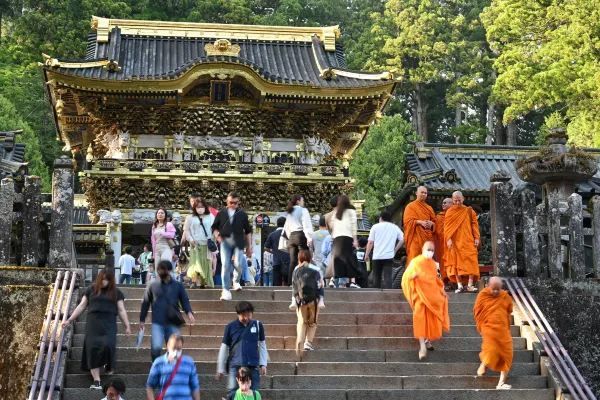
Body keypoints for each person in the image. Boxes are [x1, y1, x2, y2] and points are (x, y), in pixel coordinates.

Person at [62, 269, 131, 390]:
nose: (105, 282)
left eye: (108, 279)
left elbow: (121, 310)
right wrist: (69, 319)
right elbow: (82, 306)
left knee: (108, 345)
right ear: (99, 278)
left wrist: (127, 325)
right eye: (103, 279)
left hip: (109, 323)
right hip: (93, 323)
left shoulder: (116, 292)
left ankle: (108, 365)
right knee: (92, 349)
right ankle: (97, 380)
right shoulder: (91, 289)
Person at [401, 241, 450, 360]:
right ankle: (422, 346)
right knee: (420, 319)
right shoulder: (415, 262)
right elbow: (406, 277)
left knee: (432, 320)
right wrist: (412, 277)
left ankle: (427, 341)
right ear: (423, 249)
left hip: (432, 296)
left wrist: (442, 290)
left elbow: (438, 280)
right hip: (420, 297)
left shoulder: (435, 264)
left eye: (432, 250)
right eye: (428, 249)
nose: (430, 252)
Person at [139, 260, 195, 361]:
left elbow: (184, 300)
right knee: (156, 348)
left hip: (173, 321)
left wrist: (189, 312)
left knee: (174, 349)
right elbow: (146, 302)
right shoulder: (152, 285)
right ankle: (156, 367)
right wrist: (142, 319)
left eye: (164, 270)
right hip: (157, 321)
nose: (161, 272)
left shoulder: (178, 285)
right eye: (159, 270)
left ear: (169, 271)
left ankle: (172, 370)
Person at [216, 301, 268, 400]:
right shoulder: (230, 327)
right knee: (232, 392)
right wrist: (220, 367)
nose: (246, 318)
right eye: (243, 316)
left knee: (254, 392)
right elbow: (224, 347)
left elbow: (262, 345)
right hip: (235, 365)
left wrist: (263, 363)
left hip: (252, 365)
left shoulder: (257, 325)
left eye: (249, 315)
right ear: (238, 314)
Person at [473, 276, 513, 390]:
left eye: (498, 289)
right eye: (493, 289)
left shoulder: (504, 296)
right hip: (489, 328)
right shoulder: (483, 295)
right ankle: (484, 363)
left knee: (507, 355)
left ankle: (500, 383)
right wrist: (481, 325)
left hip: (503, 330)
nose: (496, 291)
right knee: (491, 349)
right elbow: (477, 311)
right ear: (488, 286)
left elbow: (509, 309)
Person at [212, 192, 253, 301]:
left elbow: (248, 231)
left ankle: (236, 280)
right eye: (231, 202)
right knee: (225, 265)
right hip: (225, 242)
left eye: (235, 203)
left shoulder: (242, 214)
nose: (233, 205)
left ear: (238, 203)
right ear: (227, 201)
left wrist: (249, 246)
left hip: (238, 242)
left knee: (238, 263)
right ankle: (225, 289)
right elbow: (214, 228)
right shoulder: (221, 213)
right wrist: (218, 237)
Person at [444, 191, 480, 293]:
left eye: (459, 200)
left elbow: (474, 225)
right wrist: (448, 239)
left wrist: (476, 238)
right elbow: (446, 228)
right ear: (452, 199)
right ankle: (459, 285)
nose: (458, 202)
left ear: (463, 199)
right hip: (455, 242)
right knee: (455, 262)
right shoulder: (450, 212)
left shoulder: (469, 211)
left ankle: (470, 285)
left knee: (471, 261)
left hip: (468, 241)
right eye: (455, 200)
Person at [145, 333, 200, 400]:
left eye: (179, 349)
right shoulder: (159, 362)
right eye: (174, 348)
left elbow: (195, 387)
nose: (176, 351)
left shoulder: (189, 362)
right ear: (168, 346)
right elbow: (150, 386)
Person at [292, 249, 323, 354]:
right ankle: (308, 343)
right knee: (312, 323)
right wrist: (321, 299)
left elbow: (294, 287)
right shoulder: (316, 269)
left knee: (301, 322)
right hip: (314, 300)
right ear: (310, 258)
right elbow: (320, 285)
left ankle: (299, 341)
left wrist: (294, 300)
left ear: (299, 258)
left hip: (301, 301)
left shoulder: (296, 269)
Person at [365, 210, 404, 289]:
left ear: (381, 218)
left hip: (377, 256)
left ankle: (376, 297)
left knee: (376, 278)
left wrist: (367, 254)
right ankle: (388, 297)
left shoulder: (375, 227)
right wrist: (395, 249)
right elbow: (403, 239)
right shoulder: (395, 227)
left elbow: (370, 242)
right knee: (388, 278)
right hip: (389, 256)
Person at [328, 195, 360, 288]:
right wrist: (355, 239)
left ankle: (333, 280)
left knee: (337, 259)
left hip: (337, 238)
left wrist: (333, 238)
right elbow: (354, 226)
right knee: (349, 259)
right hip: (347, 237)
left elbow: (333, 226)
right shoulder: (351, 211)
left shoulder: (336, 212)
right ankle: (352, 282)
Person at [184, 197, 216, 288]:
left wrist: (215, 240)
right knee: (195, 263)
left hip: (206, 245)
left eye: (202, 206)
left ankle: (205, 282)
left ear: (205, 207)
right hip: (195, 244)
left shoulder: (210, 217)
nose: (200, 208)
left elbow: (214, 230)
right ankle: (194, 282)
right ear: (194, 208)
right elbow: (186, 231)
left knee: (206, 263)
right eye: (198, 207)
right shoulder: (190, 218)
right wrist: (190, 239)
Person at [403, 186, 436, 266]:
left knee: (427, 259)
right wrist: (419, 222)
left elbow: (435, 222)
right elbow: (407, 222)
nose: (424, 194)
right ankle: (412, 277)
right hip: (415, 237)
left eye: (425, 193)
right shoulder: (410, 206)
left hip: (427, 238)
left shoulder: (429, 208)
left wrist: (431, 224)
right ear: (416, 193)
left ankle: (425, 277)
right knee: (414, 258)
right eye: (422, 192)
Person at [285, 194, 314, 281]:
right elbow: (306, 225)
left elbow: (286, 228)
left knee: (293, 261)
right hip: (301, 236)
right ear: (298, 201)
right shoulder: (303, 210)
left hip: (291, 237)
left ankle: (291, 281)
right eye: (302, 200)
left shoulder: (290, 212)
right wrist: (309, 238)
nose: (303, 202)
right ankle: (304, 279)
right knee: (303, 258)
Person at [264, 217, 291, 286]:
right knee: (287, 283)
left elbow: (266, 247)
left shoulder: (272, 234)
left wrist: (274, 252)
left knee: (277, 284)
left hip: (276, 262)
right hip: (287, 262)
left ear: (277, 224)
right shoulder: (289, 235)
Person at [434, 198, 453, 284]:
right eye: (443, 203)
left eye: (445, 203)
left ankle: (453, 281)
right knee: (441, 262)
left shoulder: (455, 216)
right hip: (442, 244)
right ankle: (443, 281)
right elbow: (438, 231)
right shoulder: (439, 217)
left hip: (453, 244)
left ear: (451, 204)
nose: (443, 204)